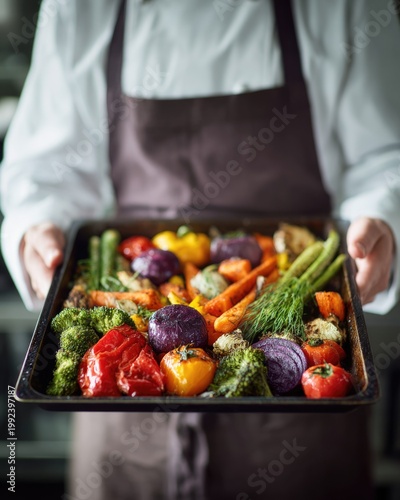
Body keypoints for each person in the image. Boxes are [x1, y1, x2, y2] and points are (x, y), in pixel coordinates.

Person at [1, 0, 399, 499]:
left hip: (300, 430)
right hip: (123, 402)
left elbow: (386, 155)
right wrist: (37, 229)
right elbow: (43, 171)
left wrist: (383, 218)